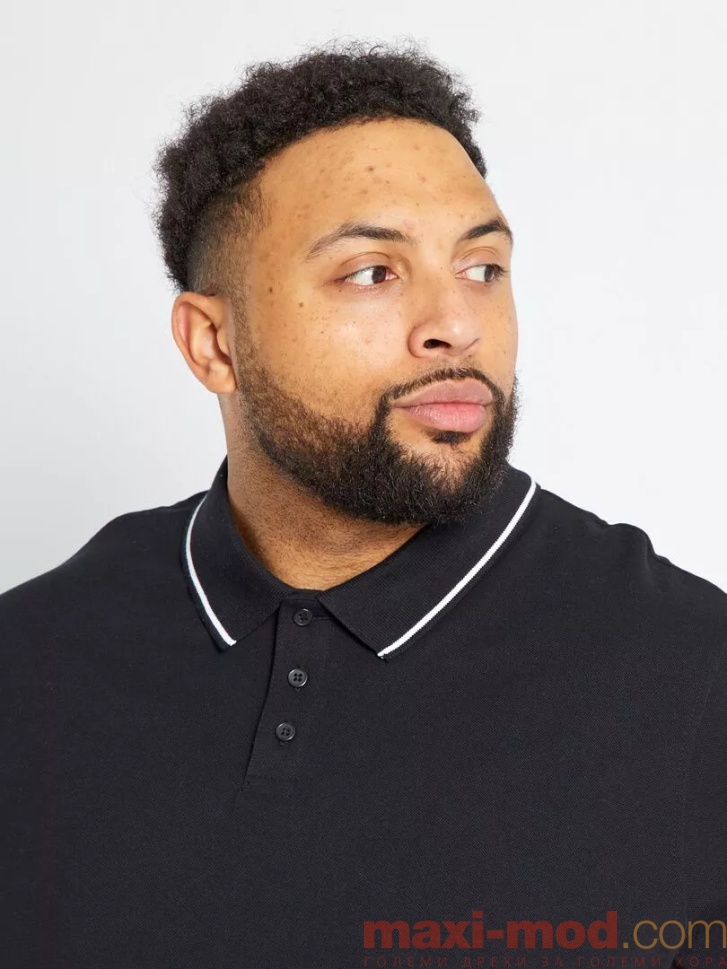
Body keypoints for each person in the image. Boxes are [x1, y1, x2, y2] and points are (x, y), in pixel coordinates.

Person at [1, 40, 725, 969]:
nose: (455, 325)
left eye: (482, 268)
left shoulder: (690, 676)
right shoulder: (34, 659)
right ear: (213, 344)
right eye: (372, 272)